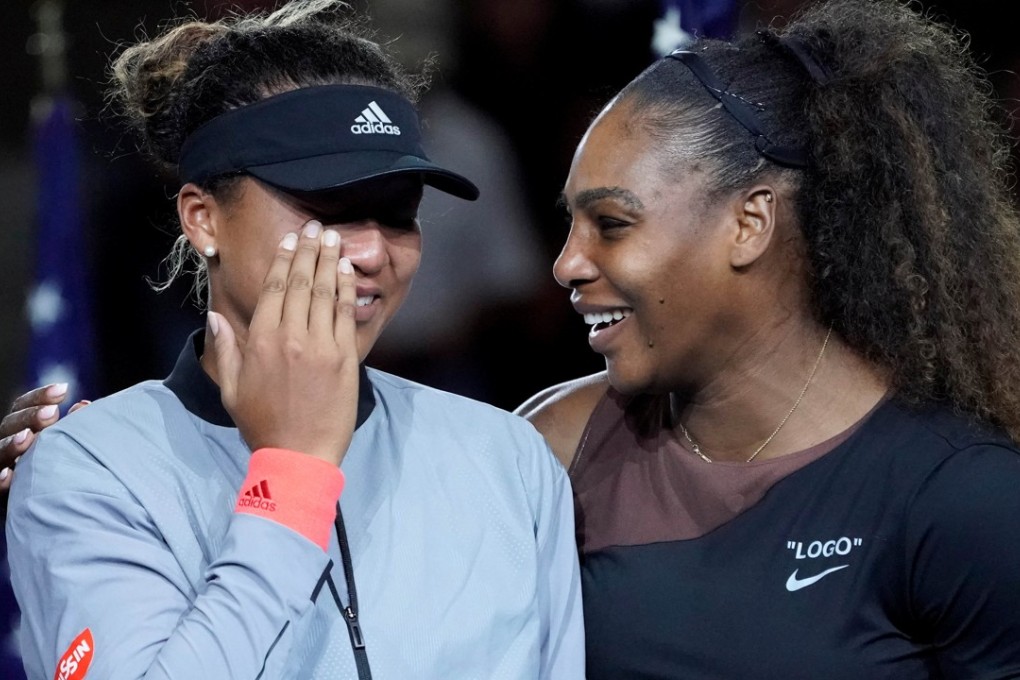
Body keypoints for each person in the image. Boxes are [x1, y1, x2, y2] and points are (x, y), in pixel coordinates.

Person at [2, 1, 584, 679]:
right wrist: (292, 475)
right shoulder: (91, 469)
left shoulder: (507, 457)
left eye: (399, 215)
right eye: (327, 208)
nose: (371, 250)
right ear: (202, 218)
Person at [512, 0, 1020, 676]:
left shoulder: (961, 495)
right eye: (570, 225)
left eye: (610, 223)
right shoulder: (554, 446)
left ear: (749, 223)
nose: (567, 264)